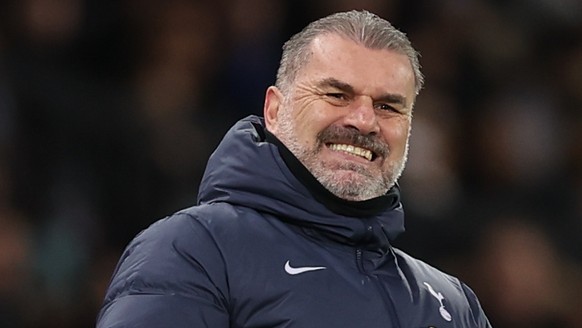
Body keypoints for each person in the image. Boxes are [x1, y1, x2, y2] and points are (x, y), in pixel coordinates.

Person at [97, 10, 492, 327]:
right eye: (337, 95)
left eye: (388, 106)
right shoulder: (193, 250)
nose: (364, 120)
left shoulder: (454, 305)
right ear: (274, 109)